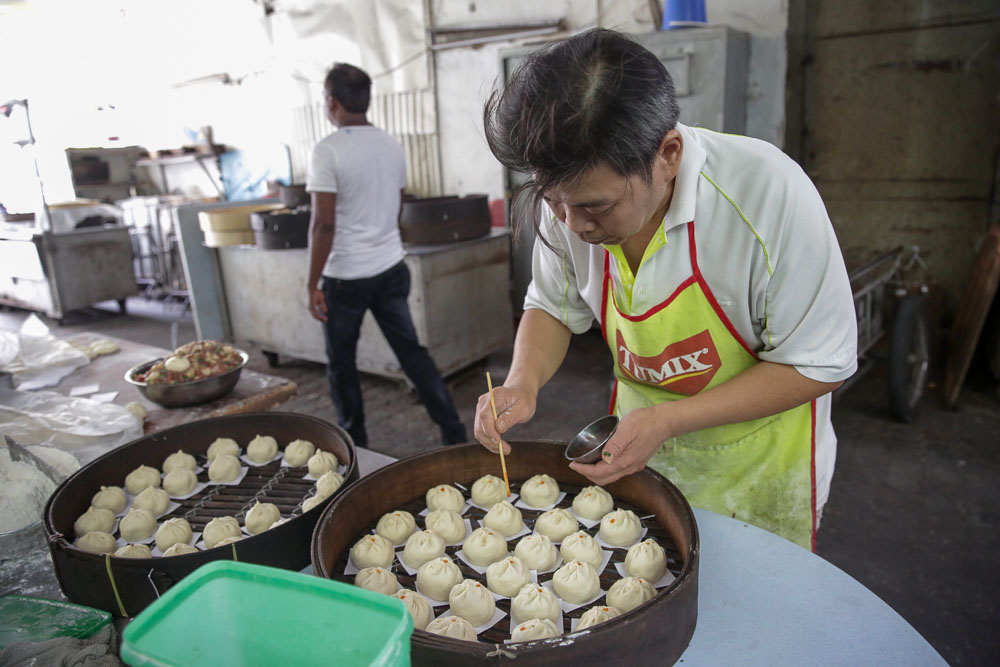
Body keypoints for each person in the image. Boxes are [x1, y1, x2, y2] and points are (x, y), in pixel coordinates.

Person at [473, 29, 857, 550]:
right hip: (640, 451)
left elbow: (820, 363)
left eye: (596, 207)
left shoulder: (766, 195)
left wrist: (669, 419)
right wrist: (522, 383)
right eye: (555, 201)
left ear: (668, 154)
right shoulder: (569, 197)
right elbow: (553, 306)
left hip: (759, 467)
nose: (574, 225)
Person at [306, 63, 467, 448]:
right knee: (412, 353)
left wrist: (312, 283)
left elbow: (322, 225)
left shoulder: (327, 151)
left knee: (342, 365)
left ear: (332, 102)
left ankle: (355, 445)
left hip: (345, 278)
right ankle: (452, 430)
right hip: (391, 268)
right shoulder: (390, 144)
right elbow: (396, 207)